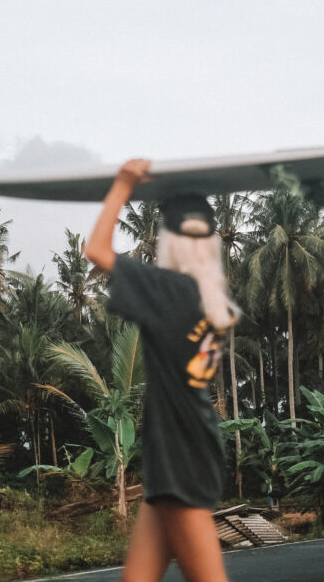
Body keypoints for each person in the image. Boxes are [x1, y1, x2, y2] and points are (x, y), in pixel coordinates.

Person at [85, 158, 238, 582]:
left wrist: (123, 184)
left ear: (166, 240)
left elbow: (96, 251)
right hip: (181, 453)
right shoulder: (209, 300)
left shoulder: (167, 290)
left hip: (180, 459)